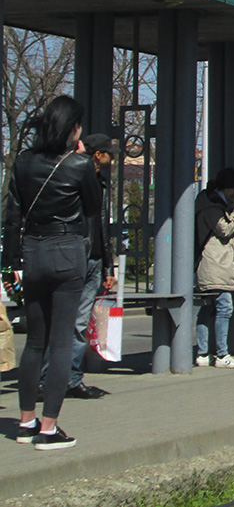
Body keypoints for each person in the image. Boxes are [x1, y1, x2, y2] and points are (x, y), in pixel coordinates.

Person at [1, 95, 102, 450]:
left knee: (35, 342)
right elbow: (92, 207)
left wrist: (10, 262)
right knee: (61, 343)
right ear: (73, 127)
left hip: (32, 252)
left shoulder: (24, 161)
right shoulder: (80, 164)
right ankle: (49, 427)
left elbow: (12, 215)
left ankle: (25, 421)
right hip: (67, 250)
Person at [41, 133, 116, 400]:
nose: (112, 158)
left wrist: (108, 266)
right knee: (61, 322)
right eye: (109, 153)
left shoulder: (102, 183)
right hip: (73, 257)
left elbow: (102, 227)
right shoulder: (70, 178)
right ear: (97, 154)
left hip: (93, 259)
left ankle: (71, 379)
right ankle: (47, 380)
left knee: (79, 324)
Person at [194, 168, 234, 369]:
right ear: (227, 187)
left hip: (213, 263)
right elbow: (224, 229)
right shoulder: (212, 207)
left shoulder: (208, 202)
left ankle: (203, 353)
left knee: (207, 309)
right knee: (225, 306)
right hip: (214, 264)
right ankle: (222, 354)